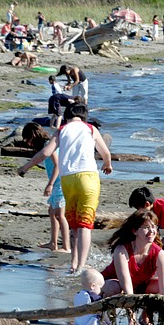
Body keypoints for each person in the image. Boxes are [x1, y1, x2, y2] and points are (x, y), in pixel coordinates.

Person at [18, 103, 112, 273]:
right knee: (85, 224)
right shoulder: (90, 128)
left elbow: (45, 153)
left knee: (74, 223)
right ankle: (81, 266)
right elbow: (105, 153)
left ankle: (73, 263)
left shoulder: (61, 130)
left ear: (67, 116)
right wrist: (107, 165)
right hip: (88, 178)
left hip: (67, 179)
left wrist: (25, 167)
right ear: (85, 117)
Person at [100, 210, 164, 325]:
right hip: (115, 286)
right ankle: (109, 319)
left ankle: (146, 315)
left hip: (140, 287)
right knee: (113, 287)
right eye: (146, 227)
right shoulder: (122, 250)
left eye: (154, 227)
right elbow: (127, 287)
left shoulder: (159, 254)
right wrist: (131, 320)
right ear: (135, 231)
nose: (152, 231)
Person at [22, 122, 70, 253]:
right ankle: (53, 243)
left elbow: (57, 166)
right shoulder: (46, 145)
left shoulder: (49, 145)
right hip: (55, 183)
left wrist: (50, 184)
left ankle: (66, 247)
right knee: (51, 212)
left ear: (33, 136)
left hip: (60, 182)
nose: (28, 143)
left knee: (60, 215)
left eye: (28, 139)